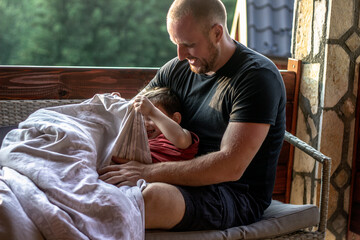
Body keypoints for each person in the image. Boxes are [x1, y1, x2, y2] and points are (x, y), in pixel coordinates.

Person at [99, 0, 286, 231]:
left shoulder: (257, 78)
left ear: (217, 33)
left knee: (150, 199)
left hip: (232, 193)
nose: (180, 55)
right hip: (173, 171)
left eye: (188, 44)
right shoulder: (177, 69)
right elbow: (131, 116)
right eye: (176, 43)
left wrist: (147, 172)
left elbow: (230, 166)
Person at [134, 87, 199, 163]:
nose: (145, 124)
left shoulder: (181, 135)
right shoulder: (141, 140)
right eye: (141, 119)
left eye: (151, 118)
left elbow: (181, 140)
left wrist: (152, 110)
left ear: (175, 119)